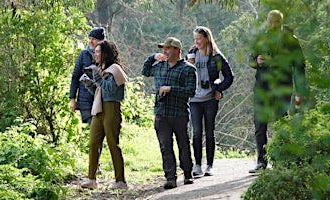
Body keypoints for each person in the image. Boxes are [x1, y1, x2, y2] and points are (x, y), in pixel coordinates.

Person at [248, 10, 308, 173]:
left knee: (282, 123)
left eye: (277, 22)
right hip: (262, 87)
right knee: (260, 124)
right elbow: (251, 60)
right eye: (271, 21)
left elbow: (300, 66)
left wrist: (300, 90)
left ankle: (283, 160)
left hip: (282, 87)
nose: (273, 25)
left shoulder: (291, 41)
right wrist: (257, 61)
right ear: (267, 21)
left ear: (281, 23)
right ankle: (261, 161)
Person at [141, 37, 197, 189]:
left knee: (183, 144)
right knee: (165, 146)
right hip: (161, 112)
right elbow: (144, 71)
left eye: (167, 48)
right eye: (163, 49)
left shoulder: (188, 69)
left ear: (177, 50)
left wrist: (171, 89)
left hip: (179, 113)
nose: (164, 51)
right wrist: (152, 57)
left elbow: (190, 91)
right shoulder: (159, 66)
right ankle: (170, 177)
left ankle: (187, 174)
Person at [79, 41, 128, 189]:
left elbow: (111, 91)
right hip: (99, 108)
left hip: (111, 108)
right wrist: (89, 84)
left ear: (106, 53)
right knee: (93, 143)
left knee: (113, 143)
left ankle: (120, 180)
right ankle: (91, 179)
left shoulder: (115, 70)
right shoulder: (102, 69)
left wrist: (98, 77)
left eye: (98, 52)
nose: (95, 54)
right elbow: (99, 91)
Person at [187, 26, 234, 176]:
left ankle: (209, 165)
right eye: (195, 39)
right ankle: (197, 165)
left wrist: (219, 89)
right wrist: (189, 67)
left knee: (209, 132)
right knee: (196, 132)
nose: (197, 42)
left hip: (209, 99)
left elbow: (229, 77)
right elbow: (181, 72)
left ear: (207, 38)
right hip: (194, 99)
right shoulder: (191, 54)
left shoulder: (216, 56)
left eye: (199, 39)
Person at [70, 27, 106, 125]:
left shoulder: (108, 56)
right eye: (89, 38)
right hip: (86, 101)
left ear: (101, 41)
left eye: (93, 39)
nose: (90, 41)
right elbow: (75, 77)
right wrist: (72, 99)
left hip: (103, 100)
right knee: (94, 130)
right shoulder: (83, 54)